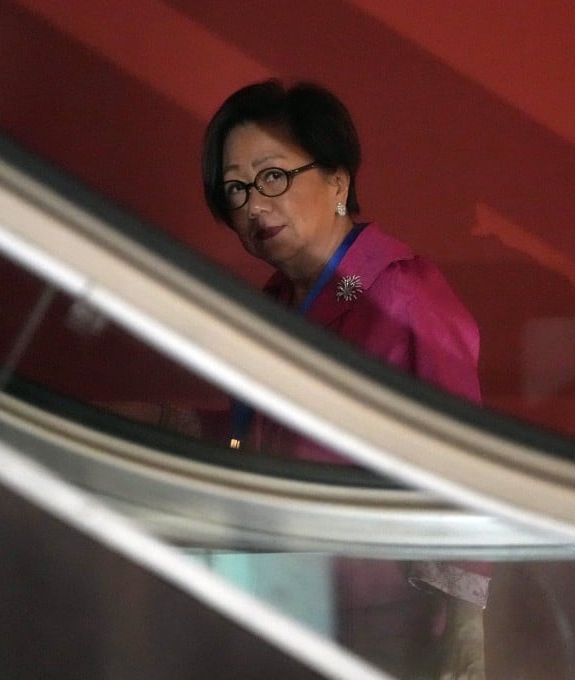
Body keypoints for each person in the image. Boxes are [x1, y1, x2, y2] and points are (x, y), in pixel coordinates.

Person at [202, 79, 488, 679]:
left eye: (272, 176)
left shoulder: (399, 291)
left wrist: (466, 624)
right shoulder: (280, 302)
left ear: (337, 181)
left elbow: (466, 456)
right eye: (236, 189)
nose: (253, 205)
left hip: (384, 621)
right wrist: (165, 422)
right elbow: (274, 436)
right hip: (284, 601)